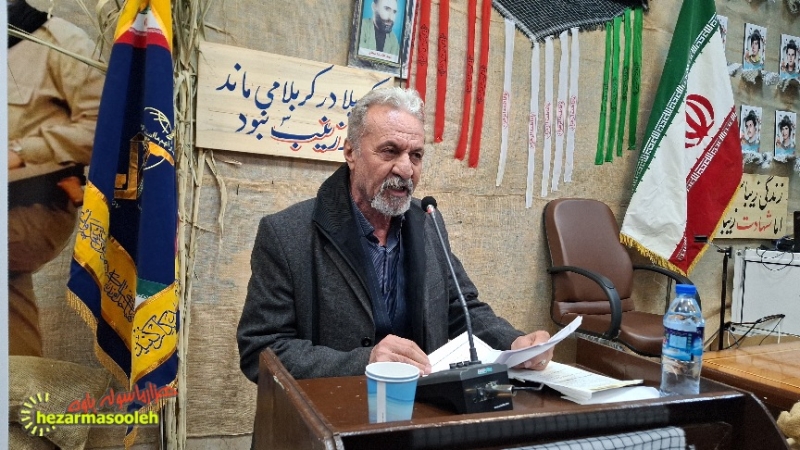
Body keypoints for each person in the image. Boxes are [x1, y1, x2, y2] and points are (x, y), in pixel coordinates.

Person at [237, 87, 553, 381]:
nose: (405, 169)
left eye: (416, 155)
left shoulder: (427, 221)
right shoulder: (286, 234)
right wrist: (364, 362)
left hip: (421, 407)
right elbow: (260, 351)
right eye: (390, 151)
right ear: (351, 153)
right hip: (333, 412)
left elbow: (461, 309)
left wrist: (513, 343)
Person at [7, 0, 105, 356]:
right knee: (12, 306)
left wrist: (22, 151)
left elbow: (105, 127)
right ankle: (21, 386)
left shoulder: (59, 41)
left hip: (36, 204)